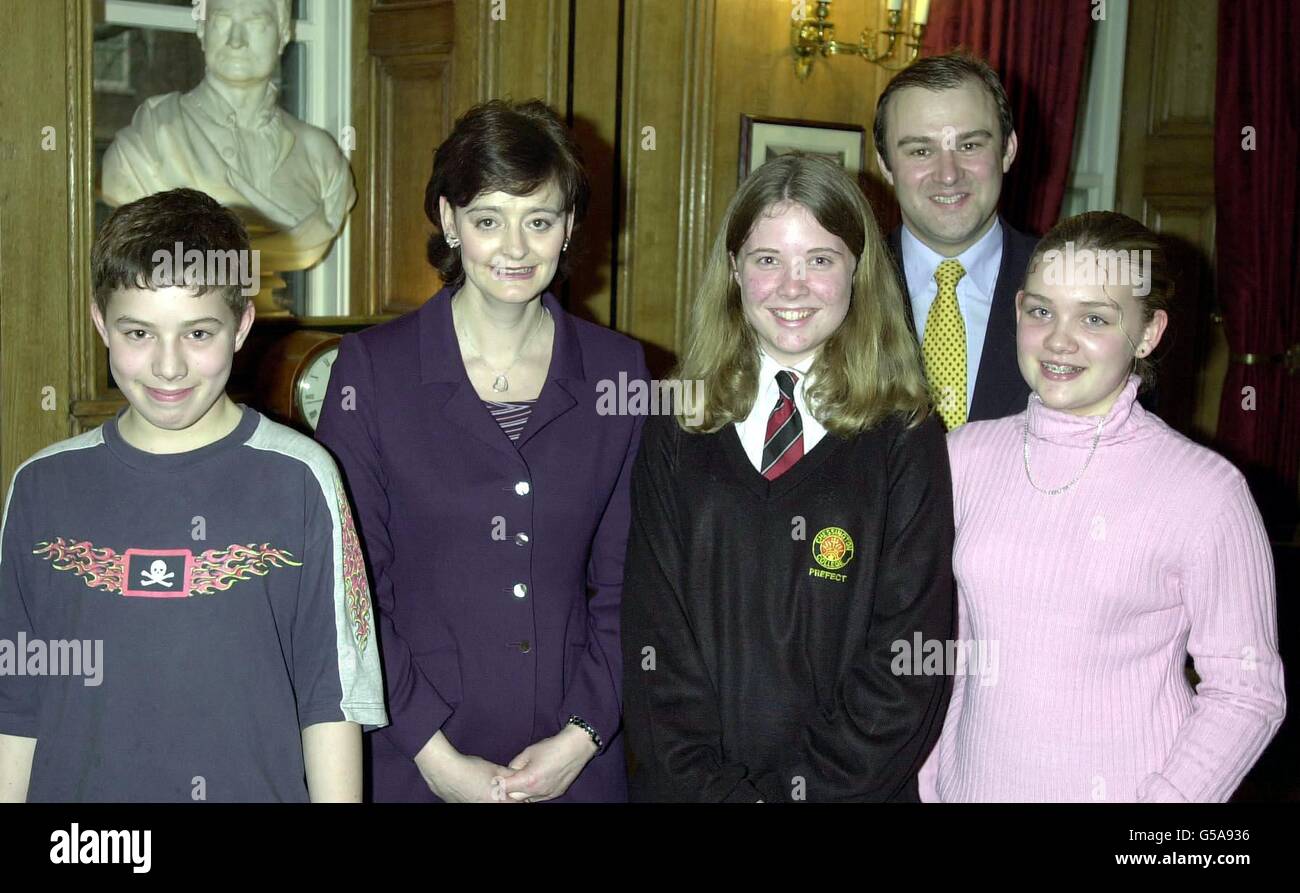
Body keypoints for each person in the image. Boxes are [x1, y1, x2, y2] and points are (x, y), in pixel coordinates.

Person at [0, 188, 385, 802]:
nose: (169, 366)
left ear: (242, 326)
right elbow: (16, 702)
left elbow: (331, 700)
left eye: (198, 332)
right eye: (139, 333)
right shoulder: (41, 487)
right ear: (101, 322)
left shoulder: (302, 477)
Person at [315, 99, 646, 803]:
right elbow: (353, 594)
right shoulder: (372, 370)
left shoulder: (621, 372)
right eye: (489, 219)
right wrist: (435, 756)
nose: (516, 248)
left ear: (570, 227)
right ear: (448, 220)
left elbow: (630, 588)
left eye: (540, 219)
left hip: (578, 764)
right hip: (416, 761)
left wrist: (580, 738)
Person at [621, 154, 955, 802]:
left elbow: (906, 666)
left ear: (857, 270)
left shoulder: (906, 436)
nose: (792, 287)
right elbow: (653, 643)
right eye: (768, 259)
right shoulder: (674, 422)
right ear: (733, 270)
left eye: (821, 260)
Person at [919, 211, 1286, 802]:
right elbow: (949, 649)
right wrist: (931, 780)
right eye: (1041, 311)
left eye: (1094, 317)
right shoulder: (959, 459)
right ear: (1016, 312)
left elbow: (1248, 692)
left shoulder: (1205, 490)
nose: (1059, 340)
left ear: (1148, 333)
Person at [101, 0, 354, 273]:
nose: (237, 40)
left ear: (283, 34)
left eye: (256, 23)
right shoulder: (148, 142)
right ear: (202, 29)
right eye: (222, 20)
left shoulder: (322, 158)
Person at [873, 52, 1038, 429]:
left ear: (1008, 150)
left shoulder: (1074, 287)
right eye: (920, 151)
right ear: (886, 165)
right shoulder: (841, 287)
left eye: (969, 146)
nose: (948, 175)